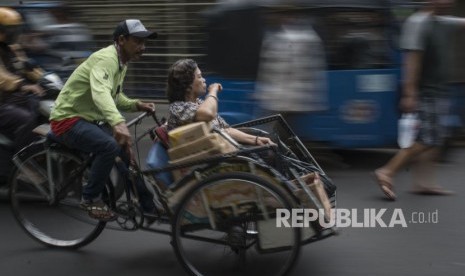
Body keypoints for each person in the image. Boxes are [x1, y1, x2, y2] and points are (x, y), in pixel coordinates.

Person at [49, 19, 158, 221]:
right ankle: (90, 198)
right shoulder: (107, 59)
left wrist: (136, 104)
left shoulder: (120, 62)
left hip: (88, 119)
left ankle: (148, 206)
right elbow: (101, 93)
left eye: (144, 43)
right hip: (67, 120)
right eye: (138, 42)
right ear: (122, 40)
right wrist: (118, 122)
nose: (143, 48)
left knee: (128, 155)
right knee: (108, 146)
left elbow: (114, 96)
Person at [374, 0, 465, 200]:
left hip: (438, 90)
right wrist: (409, 93)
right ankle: (387, 170)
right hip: (426, 92)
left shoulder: (440, 21)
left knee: (434, 139)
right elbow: (411, 61)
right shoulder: (418, 23)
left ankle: (424, 183)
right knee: (427, 139)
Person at [166, 58, 273, 146]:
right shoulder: (178, 107)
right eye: (199, 77)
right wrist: (213, 91)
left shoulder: (199, 103)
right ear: (188, 85)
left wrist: (256, 140)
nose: (204, 80)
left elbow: (225, 130)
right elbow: (207, 114)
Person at [0, 7, 45, 188]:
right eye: (10, 30)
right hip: (3, 104)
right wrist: (22, 85)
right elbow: (2, 78)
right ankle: (23, 163)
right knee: (27, 120)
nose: (14, 34)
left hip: (17, 98)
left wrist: (44, 78)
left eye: (16, 30)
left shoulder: (13, 48)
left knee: (43, 112)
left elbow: (30, 68)